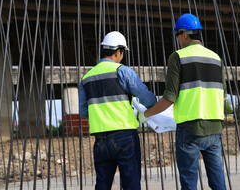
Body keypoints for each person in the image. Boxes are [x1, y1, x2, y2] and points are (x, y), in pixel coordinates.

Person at [139, 14, 226, 190]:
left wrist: (146, 114)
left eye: (177, 35)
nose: (177, 39)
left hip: (190, 129)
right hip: (215, 128)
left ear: (184, 34)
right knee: (217, 181)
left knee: (189, 181)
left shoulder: (177, 57)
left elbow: (169, 97)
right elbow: (222, 96)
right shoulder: (216, 58)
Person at [79, 31, 156, 190]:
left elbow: (84, 112)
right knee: (131, 184)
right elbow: (149, 99)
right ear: (119, 51)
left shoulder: (86, 78)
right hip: (125, 136)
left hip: (100, 139)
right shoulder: (123, 71)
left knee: (102, 185)